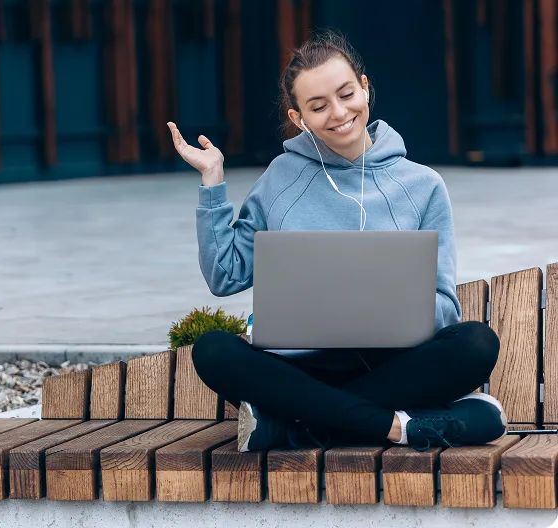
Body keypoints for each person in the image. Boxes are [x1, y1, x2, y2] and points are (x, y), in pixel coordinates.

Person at [166, 30, 506, 453]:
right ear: (299, 119)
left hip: (391, 366)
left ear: (365, 88)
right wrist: (212, 182)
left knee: (475, 343)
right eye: (318, 106)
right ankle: (398, 428)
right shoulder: (279, 179)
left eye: (346, 94)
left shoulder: (423, 185)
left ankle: (296, 429)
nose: (339, 112)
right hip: (301, 371)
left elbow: (444, 306)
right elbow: (226, 275)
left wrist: (380, 304)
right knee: (214, 351)